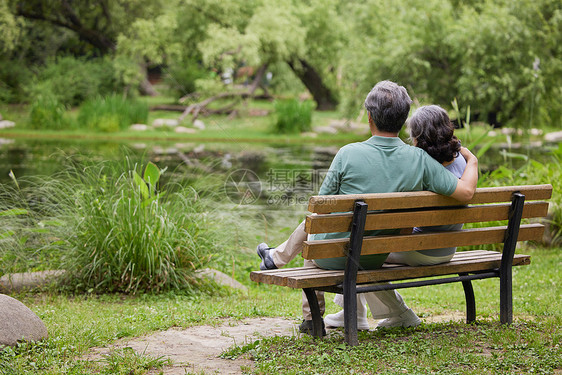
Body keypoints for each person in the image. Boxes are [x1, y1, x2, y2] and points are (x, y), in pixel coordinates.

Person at [256, 81, 478, 333]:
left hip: (339, 256)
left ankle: (310, 316)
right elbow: (464, 191)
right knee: (321, 233)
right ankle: (277, 258)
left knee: (314, 235)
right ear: (403, 119)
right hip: (377, 255)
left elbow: (321, 210)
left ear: (370, 118)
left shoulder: (347, 154)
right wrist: (472, 160)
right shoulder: (421, 159)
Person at [324, 104, 469, 330]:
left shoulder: (421, 165)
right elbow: (466, 192)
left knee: (362, 248)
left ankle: (389, 313)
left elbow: (406, 228)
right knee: (365, 245)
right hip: (448, 249)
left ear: (418, 137)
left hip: (421, 250)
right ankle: (351, 311)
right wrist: (475, 161)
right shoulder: (461, 162)